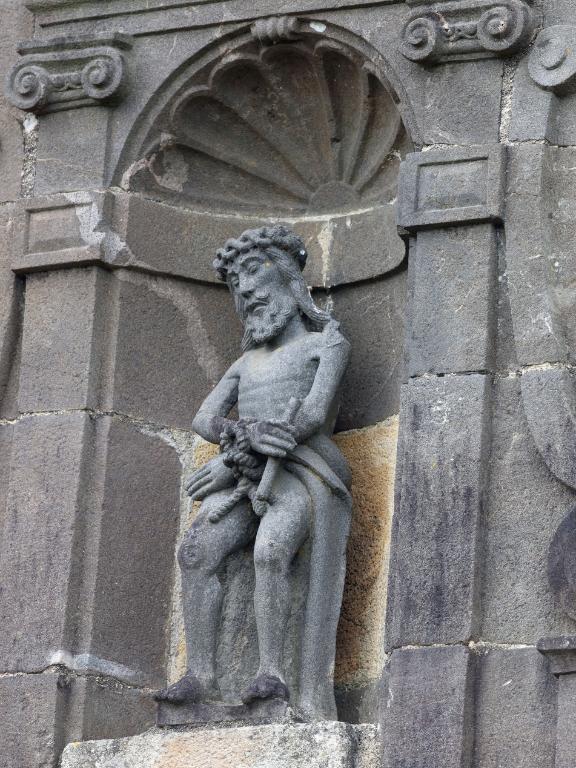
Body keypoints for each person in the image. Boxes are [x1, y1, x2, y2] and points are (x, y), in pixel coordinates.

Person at [155, 225, 352, 720]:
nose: (244, 293)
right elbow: (204, 419)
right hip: (248, 471)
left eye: (254, 275)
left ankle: (273, 674)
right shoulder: (246, 361)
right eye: (237, 288)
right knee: (196, 552)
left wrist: (267, 439)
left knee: (271, 551)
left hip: (298, 474)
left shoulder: (324, 344)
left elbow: (311, 414)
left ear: (288, 281)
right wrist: (239, 442)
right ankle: (201, 674)